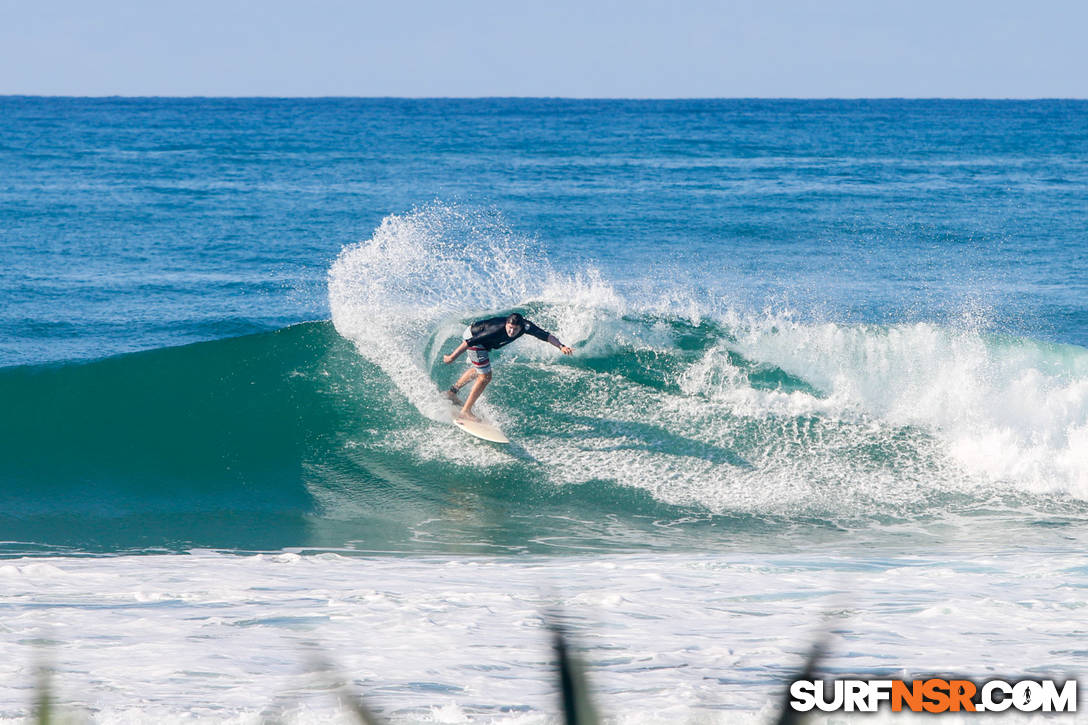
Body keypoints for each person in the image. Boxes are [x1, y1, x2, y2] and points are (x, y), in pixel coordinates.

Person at [443, 312, 572, 421]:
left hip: (481, 339)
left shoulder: (526, 327)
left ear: (521, 327)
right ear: (506, 324)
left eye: (515, 329)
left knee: (480, 370)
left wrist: (561, 346)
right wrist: (452, 357)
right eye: (509, 327)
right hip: (475, 338)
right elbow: (468, 342)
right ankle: (465, 411)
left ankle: (451, 393)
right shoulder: (495, 329)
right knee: (485, 376)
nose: (511, 331)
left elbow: (546, 335)